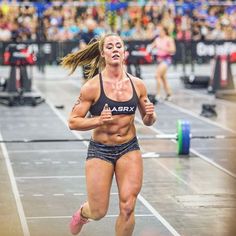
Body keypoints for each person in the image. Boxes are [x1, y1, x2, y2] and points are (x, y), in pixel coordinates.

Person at [61, 33, 157, 236]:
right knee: (98, 211)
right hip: (100, 151)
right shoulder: (92, 86)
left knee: (128, 206)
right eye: (110, 46)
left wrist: (150, 115)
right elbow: (73, 121)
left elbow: (148, 121)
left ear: (124, 53)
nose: (114, 49)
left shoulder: (137, 84)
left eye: (118, 46)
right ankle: (82, 214)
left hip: (129, 148)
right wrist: (98, 120)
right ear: (103, 53)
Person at [149, 25, 176, 102]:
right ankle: (169, 94)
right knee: (163, 78)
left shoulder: (169, 39)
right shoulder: (157, 39)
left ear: (164, 31)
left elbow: (173, 50)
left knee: (157, 75)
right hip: (159, 60)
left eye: (160, 31)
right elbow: (151, 47)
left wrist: (162, 48)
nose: (159, 32)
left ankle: (158, 94)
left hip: (166, 60)